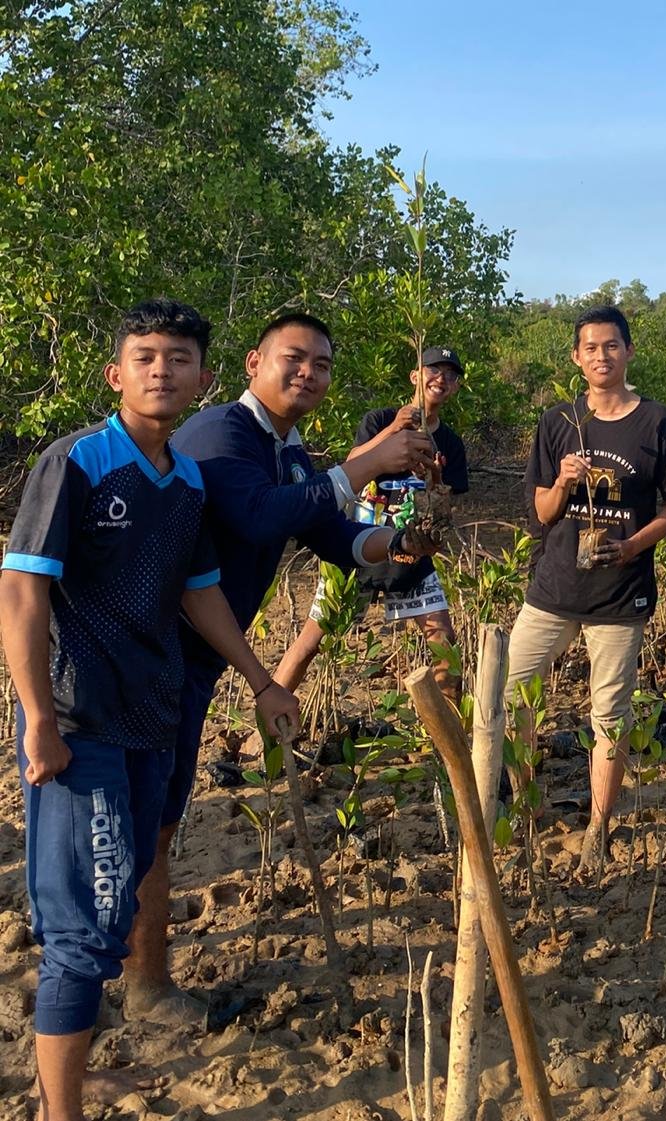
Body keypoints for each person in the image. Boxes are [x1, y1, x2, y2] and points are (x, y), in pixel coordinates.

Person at [0, 299, 300, 1121]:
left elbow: (200, 594)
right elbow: (22, 586)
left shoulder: (187, 478)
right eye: (144, 356)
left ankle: (72, 1056)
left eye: (177, 358)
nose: (161, 370)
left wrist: (263, 679)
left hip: (153, 720)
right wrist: (37, 716)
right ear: (116, 373)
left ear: (204, 378)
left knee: (120, 889)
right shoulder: (78, 464)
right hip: (82, 721)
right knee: (85, 933)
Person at [121, 312, 436, 1025]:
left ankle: (139, 973)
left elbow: (331, 533)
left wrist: (399, 539)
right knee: (148, 821)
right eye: (293, 358)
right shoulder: (219, 435)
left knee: (159, 816)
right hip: (152, 656)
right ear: (251, 363)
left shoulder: (290, 454)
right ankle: (141, 984)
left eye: (322, 364)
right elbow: (262, 518)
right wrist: (362, 463)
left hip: (194, 660)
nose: (308, 373)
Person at [508, 305, 666, 875]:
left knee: (608, 713)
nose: (602, 356)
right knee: (513, 696)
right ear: (576, 358)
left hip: (619, 592)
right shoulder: (558, 419)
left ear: (629, 352)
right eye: (591, 348)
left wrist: (634, 547)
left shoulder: (657, 422)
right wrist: (562, 480)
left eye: (612, 346)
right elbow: (540, 511)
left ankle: (598, 828)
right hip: (554, 587)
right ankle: (525, 806)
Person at [270, 346, 469, 707]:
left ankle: (450, 743)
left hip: (411, 552)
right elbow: (351, 466)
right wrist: (395, 430)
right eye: (433, 370)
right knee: (311, 643)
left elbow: (442, 507)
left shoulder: (451, 444)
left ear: (456, 388)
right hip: (357, 547)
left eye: (450, 375)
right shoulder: (379, 419)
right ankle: (266, 723)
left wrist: (433, 475)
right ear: (415, 376)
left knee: (444, 643)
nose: (441, 378)